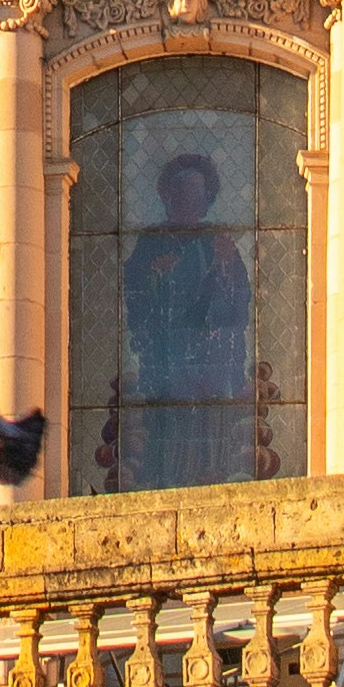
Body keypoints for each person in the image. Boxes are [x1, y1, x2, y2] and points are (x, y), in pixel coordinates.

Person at [116, 143, 251, 484]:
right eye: (182, 194)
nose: (189, 202)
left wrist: (221, 266)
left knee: (208, 429)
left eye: (197, 195)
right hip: (167, 356)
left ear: (206, 200)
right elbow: (135, 294)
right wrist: (157, 275)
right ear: (169, 198)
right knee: (169, 427)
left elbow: (237, 301)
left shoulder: (216, 241)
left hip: (210, 357)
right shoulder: (152, 242)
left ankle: (210, 476)